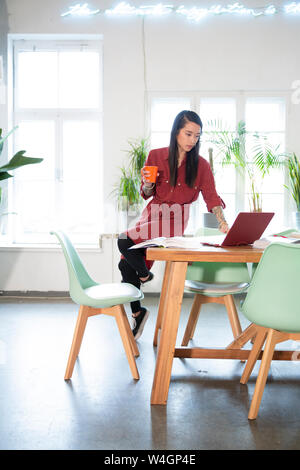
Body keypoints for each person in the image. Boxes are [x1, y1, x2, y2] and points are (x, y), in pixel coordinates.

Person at [117, 110, 229, 340]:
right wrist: (148, 184)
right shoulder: (155, 156)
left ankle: (145, 275)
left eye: (197, 136)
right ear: (176, 131)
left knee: (123, 239)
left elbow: (212, 197)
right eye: (188, 134)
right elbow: (147, 194)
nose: (192, 140)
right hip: (152, 213)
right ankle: (138, 312)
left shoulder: (201, 166)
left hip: (174, 218)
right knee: (124, 266)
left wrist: (223, 222)